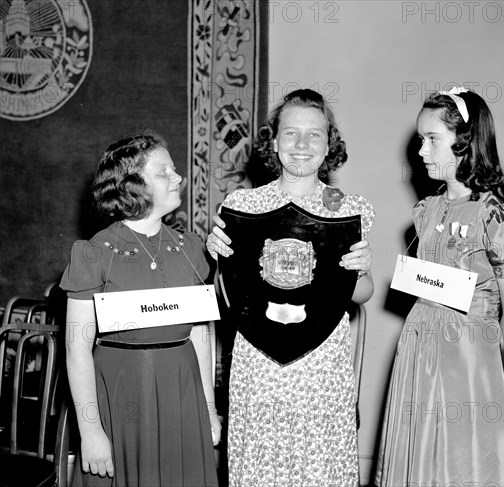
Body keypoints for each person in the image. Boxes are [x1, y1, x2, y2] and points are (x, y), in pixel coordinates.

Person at [207, 88, 375, 486]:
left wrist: (361, 269)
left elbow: (362, 293)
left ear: (329, 142)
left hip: (321, 365)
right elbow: (226, 294)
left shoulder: (348, 209)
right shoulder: (242, 206)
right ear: (273, 140)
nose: (302, 145)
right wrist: (215, 261)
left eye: (314, 134)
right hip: (258, 362)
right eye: (290, 133)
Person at [375, 88, 504, 486]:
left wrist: (480, 368)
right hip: (417, 359)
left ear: (464, 144)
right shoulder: (427, 211)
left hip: (468, 366)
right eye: (420, 140)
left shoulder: (496, 216)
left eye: (432, 140)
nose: (422, 151)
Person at [60, 132, 220, 487]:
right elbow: (77, 349)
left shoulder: (191, 247)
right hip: (122, 397)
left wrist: (208, 409)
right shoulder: (94, 253)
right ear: (133, 186)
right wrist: (90, 432)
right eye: (164, 172)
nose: (178, 177)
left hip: (181, 391)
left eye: (174, 169)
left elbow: (200, 334)